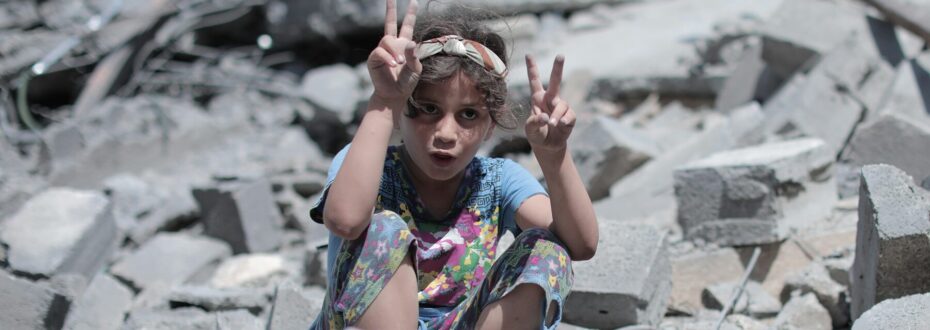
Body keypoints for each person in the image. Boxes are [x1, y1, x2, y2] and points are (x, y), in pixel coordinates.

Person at [308, 0, 598, 328]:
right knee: (382, 228)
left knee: (547, 249)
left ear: (491, 125)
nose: (446, 133)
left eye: (469, 115)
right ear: (404, 109)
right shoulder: (367, 165)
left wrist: (554, 155)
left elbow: (579, 244)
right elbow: (345, 221)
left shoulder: (497, 181)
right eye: (429, 109)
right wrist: (385, 101)